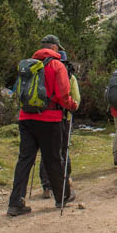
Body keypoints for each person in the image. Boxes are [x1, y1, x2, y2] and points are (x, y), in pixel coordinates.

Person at [7, 35, 78, 216]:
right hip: (49, 119)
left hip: (26, 118)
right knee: (53, 159)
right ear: (54, 48)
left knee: (25, 159)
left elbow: (17, 91)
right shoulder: (57, 65)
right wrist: (72, 105)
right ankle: (62, 197)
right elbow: (63, 94)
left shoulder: (27, 64)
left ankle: (16, 202)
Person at [39, 50, 79, 199]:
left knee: (46, 152)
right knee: (62, 151)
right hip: (63, 117)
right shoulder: (69, 76)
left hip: (42, 117)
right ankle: (65, 185)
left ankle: (46, 186)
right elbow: (75, 98)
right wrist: (73, 106)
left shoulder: (40, 71)